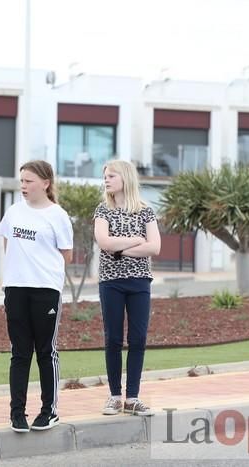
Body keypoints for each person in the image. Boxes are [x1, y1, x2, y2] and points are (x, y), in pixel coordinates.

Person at [0, 160, 73, 433]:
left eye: (29, 181)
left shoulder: (58, 216)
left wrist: (43, 273)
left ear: (45, 183)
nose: (23, 186)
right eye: (22, 181)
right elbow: (7, 246)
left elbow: (66, 255)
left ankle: (49, 411)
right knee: (19, 352)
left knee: (45, 351)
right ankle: (17, 413)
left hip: (45, 290)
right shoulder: (14, 212)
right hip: (16, 288)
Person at [93, 160, 161, 416]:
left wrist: (120, 249)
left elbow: (154, 247)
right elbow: (104, 243)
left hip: (140, 282)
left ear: (125, 178)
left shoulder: (146, 211)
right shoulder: (103, 211)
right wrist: (135, 241)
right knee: (113, 338)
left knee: (138, 339)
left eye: (111, 175)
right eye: (105, 176)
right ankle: (114, 396)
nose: (106, 180)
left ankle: (132, 397)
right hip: (111, 282)